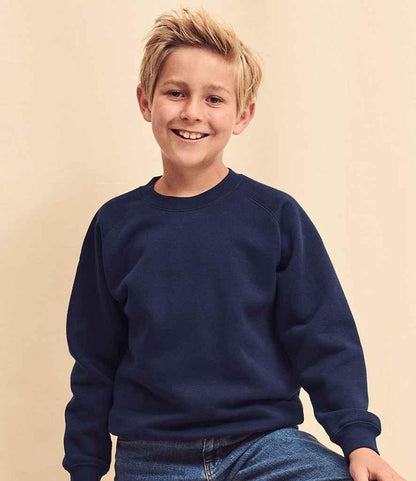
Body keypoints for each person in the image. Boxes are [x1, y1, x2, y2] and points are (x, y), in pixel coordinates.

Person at [62, 6, 406, 481]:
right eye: (176, 93)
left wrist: (358, 441)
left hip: (264, 445)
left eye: (214, 99)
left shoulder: (275, 216)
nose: (192, 112)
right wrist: (84, 468)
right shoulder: (114, 225)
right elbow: (94, 360)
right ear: (145, 101)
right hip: (153, 454)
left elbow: (323, 335)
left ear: (243, 115)